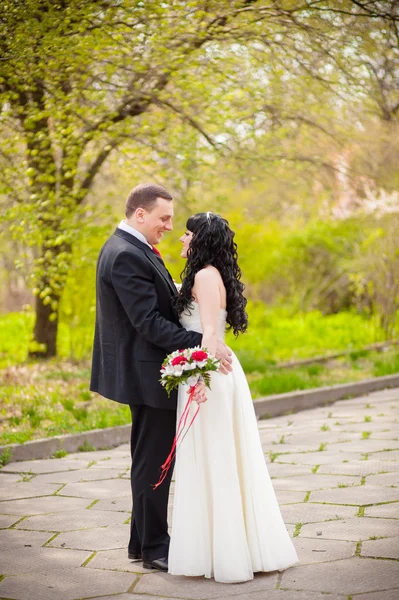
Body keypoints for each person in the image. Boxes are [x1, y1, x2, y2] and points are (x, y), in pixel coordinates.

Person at [90, 185, 232, 573]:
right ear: (140, 214)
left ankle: (141, 543)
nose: (169, 226)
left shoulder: (132, 249)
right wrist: (204, 345)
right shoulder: (124, 255)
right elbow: (148, 323)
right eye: (163, 218)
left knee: (148, 460)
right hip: (149, 373)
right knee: (154, 463)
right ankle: (154, 547)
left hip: (150, 370)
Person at [168, 212, 298, 583]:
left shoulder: (206, 276)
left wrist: (197, 381)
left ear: (201, 239)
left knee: (217, 460)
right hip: (212, 370)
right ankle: (225, 548)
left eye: (188, 233)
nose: (181, 238)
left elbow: (210, 333)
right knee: (216, 459)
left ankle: (226, 555)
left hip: (210, 374)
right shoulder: (207, 274)